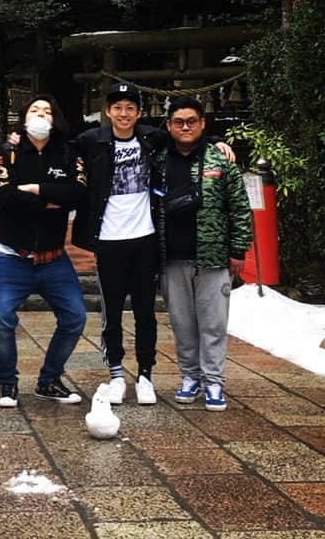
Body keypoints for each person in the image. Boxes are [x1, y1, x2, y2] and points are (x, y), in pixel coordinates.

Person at [151, 95, 253, 411]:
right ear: (168, 125)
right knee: (182, 324)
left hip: (213, 256)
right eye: (178, 122)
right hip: (171, 256)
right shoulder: (157, 161)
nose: (185, 127)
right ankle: (189, 377)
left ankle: (214, 382)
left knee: (213, 323)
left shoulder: (220, 161)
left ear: (202, 124)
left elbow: (239, 207)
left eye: (191, 121)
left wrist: (238, 250)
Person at [0, 94, 87, 408]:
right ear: (24, 117)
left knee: (75, 317)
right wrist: (49, 201)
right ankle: (7, 384)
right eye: (34, 110)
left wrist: (34, 189)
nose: (41, 115)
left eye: (47, 110)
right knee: (2, 318)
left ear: (55, 118)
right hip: (12, 257)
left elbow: (78, 194)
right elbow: (3, 196)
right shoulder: (10, 152)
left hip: (53, 258)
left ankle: (49, 380)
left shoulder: (68, 153)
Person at [71, 81, 163, 405]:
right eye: (117, 108)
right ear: (107, 112)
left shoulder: (152, 138)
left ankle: (146, 374)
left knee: (145, 312)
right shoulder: (91, 141)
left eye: (130, 108)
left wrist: (219, 143)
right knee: (111, 311)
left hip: (145, 237)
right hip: (109, 239)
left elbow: (188, 138)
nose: (124, 114)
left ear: (139, 113)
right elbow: (58, 150)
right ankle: (115, 373)